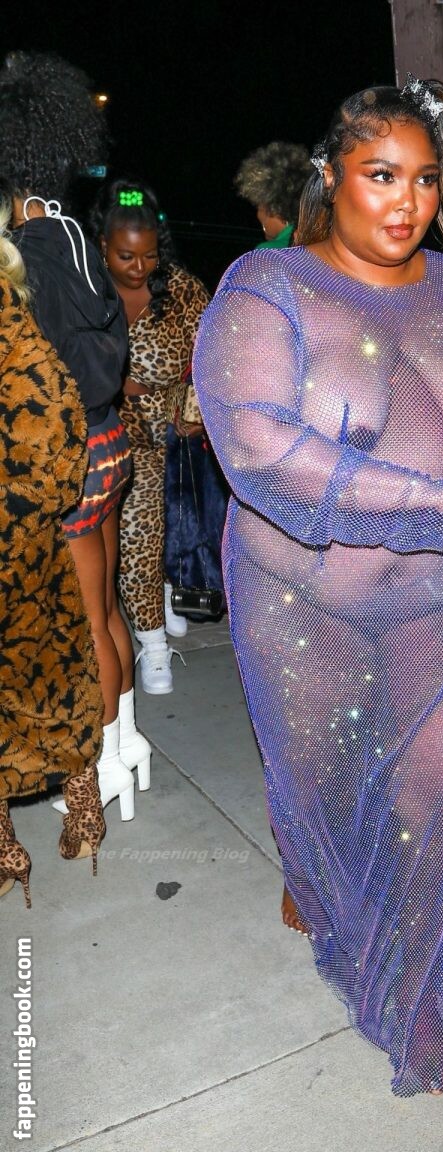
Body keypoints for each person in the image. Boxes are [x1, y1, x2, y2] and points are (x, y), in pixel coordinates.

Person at [193, 76, 443, 1096]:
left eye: (425, 180)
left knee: (438, 797)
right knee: (325, 784)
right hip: (304, 604)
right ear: (331, 176)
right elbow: (259, 448)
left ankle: (422, 1002)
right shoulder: (267, 287)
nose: (406, 202)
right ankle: (314, 873)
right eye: (381, 175)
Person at [0, 50, 145, 821]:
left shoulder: (26, 254)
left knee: (82, 621)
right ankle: (127, 743)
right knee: (107, 603)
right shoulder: (79, 235)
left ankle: (99, 766)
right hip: (110, 440)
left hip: (71, 457)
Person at [0, 185, 107, 905]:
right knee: (54, 672)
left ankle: (16, 845)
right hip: (26, 536)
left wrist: (19, 515)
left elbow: (53, 419)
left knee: (53, 670)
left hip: (16, 536)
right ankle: (78, 819)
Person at [88, 177, 216, 693]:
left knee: (153, 535)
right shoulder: (83, 286)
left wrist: (193, 409)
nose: (139, 267)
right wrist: (113, 380)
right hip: (105, 429)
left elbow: (211, 353)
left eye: (148, 255)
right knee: (125, 541)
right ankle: (151, 632)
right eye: (126, 256)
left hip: (165, 433)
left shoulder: (182, 290)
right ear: (103, 246)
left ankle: (158, 625)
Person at [234, 140, 313, 249]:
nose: (258, 215)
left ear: (273, 209)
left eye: (259, 206)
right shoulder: (319, 244)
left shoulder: (269, 252)